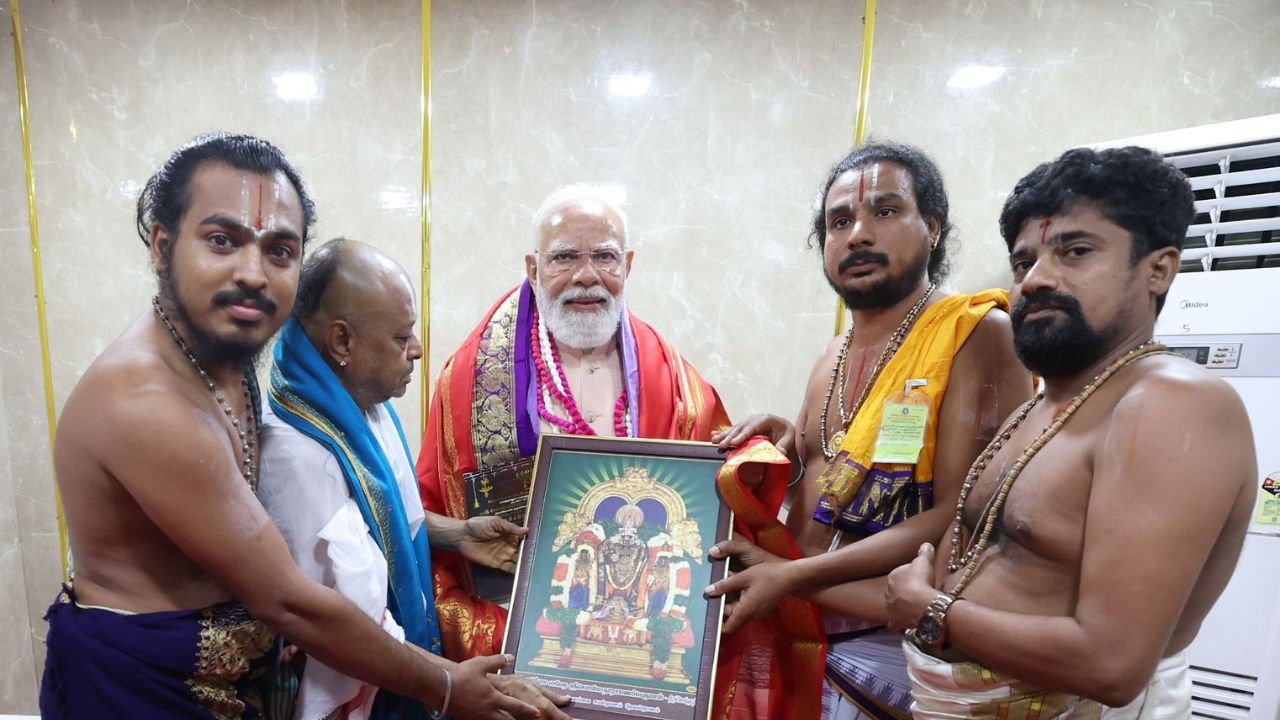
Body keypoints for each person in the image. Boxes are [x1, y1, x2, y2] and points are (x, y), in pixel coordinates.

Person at [41, 133, 567, 720]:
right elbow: (291, 602)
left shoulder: (228, 365)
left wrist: (448, 533)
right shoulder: (144, 400)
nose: (254, 273)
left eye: (279, 251)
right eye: (222, 240)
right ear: (163, 246)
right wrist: (448, 688)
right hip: (137, 689)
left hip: (235, 681)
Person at [417, 184, 826, 719]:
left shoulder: (670, 375)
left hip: (643, 639)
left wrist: (760, 451)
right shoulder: (469, 381)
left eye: (604, 256)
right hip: (514, 627)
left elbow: (713, 481)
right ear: (533, 267)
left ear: (628, 264)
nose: (587, 275)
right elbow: (432, 508)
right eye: (565, 257)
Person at [885, 146, 1256, 717]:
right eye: (1023, 261)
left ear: (1159, 268)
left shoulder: (1172, 403)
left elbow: (1111, 666)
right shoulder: (1045, 405)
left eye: (1075, 251)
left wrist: (931, 612)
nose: (1035, 279)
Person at [708, 142, 1032, 719]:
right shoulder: (832, 354)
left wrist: (795, 578)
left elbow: (965, 513)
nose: (857, 235)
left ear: (932, 227)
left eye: (884, 212)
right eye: (839, 222)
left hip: (886, 648)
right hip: (792, 625)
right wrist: (782, 442)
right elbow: (831, 468)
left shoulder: (979, 333)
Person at [257, 238, 538, 719]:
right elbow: (341, 627)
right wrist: (449, 686)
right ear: (342, 341)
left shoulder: (358, 399)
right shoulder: (297, 451)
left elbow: (374, 525)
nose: (418, 349)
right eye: (400, 337)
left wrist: (455, 534)